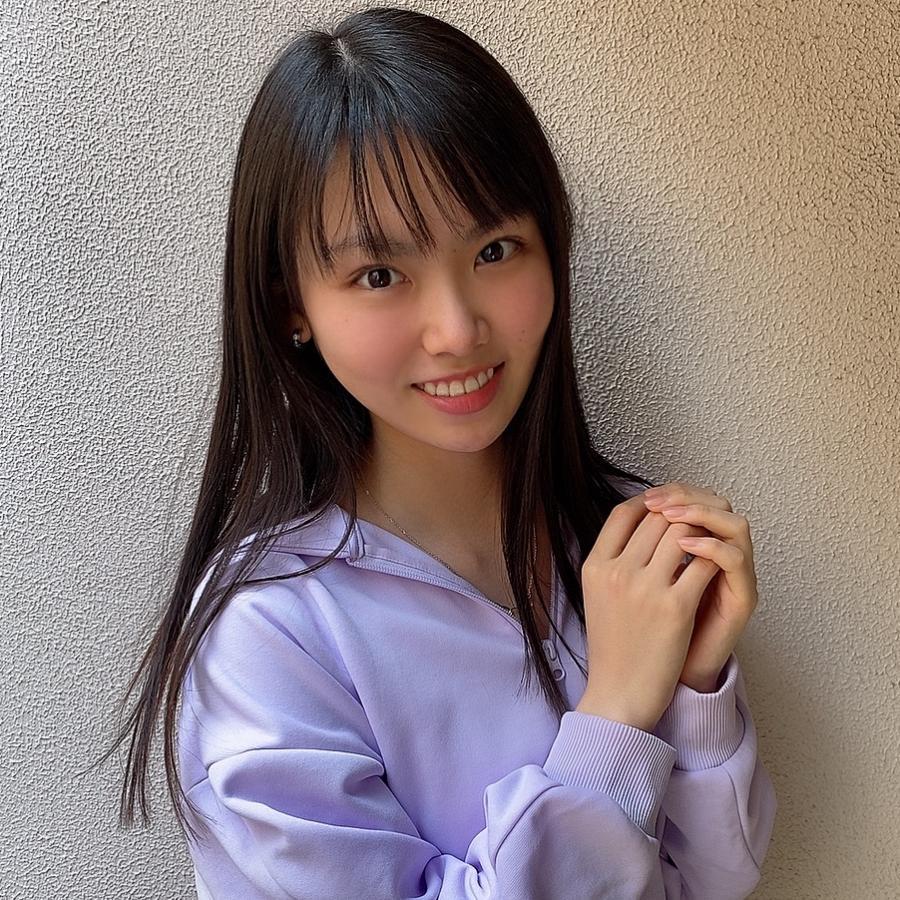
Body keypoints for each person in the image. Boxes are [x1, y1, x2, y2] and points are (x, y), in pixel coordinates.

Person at [98, 6, 777, 897]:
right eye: (379, 275)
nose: (457, 329)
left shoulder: (618, 545)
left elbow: (710, 880)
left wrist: (695, 685)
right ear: (290, 305)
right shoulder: (271, 633)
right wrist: (615, 712)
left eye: (495, 249)